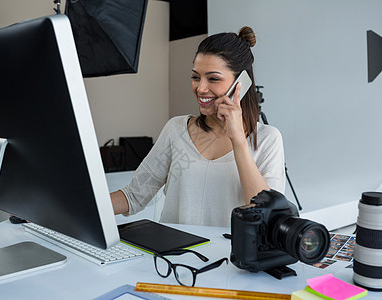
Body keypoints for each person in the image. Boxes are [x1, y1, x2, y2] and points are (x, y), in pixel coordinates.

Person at [111, 26, 285, 227]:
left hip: (229, 258)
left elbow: (266, 216)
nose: (200, 88)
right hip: (173, 256)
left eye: (213, 78)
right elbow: (134, 196)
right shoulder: (176, 129)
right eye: (195, 77)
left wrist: (238, 139)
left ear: (241, 83)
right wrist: (80, 207)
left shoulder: (267, 139)